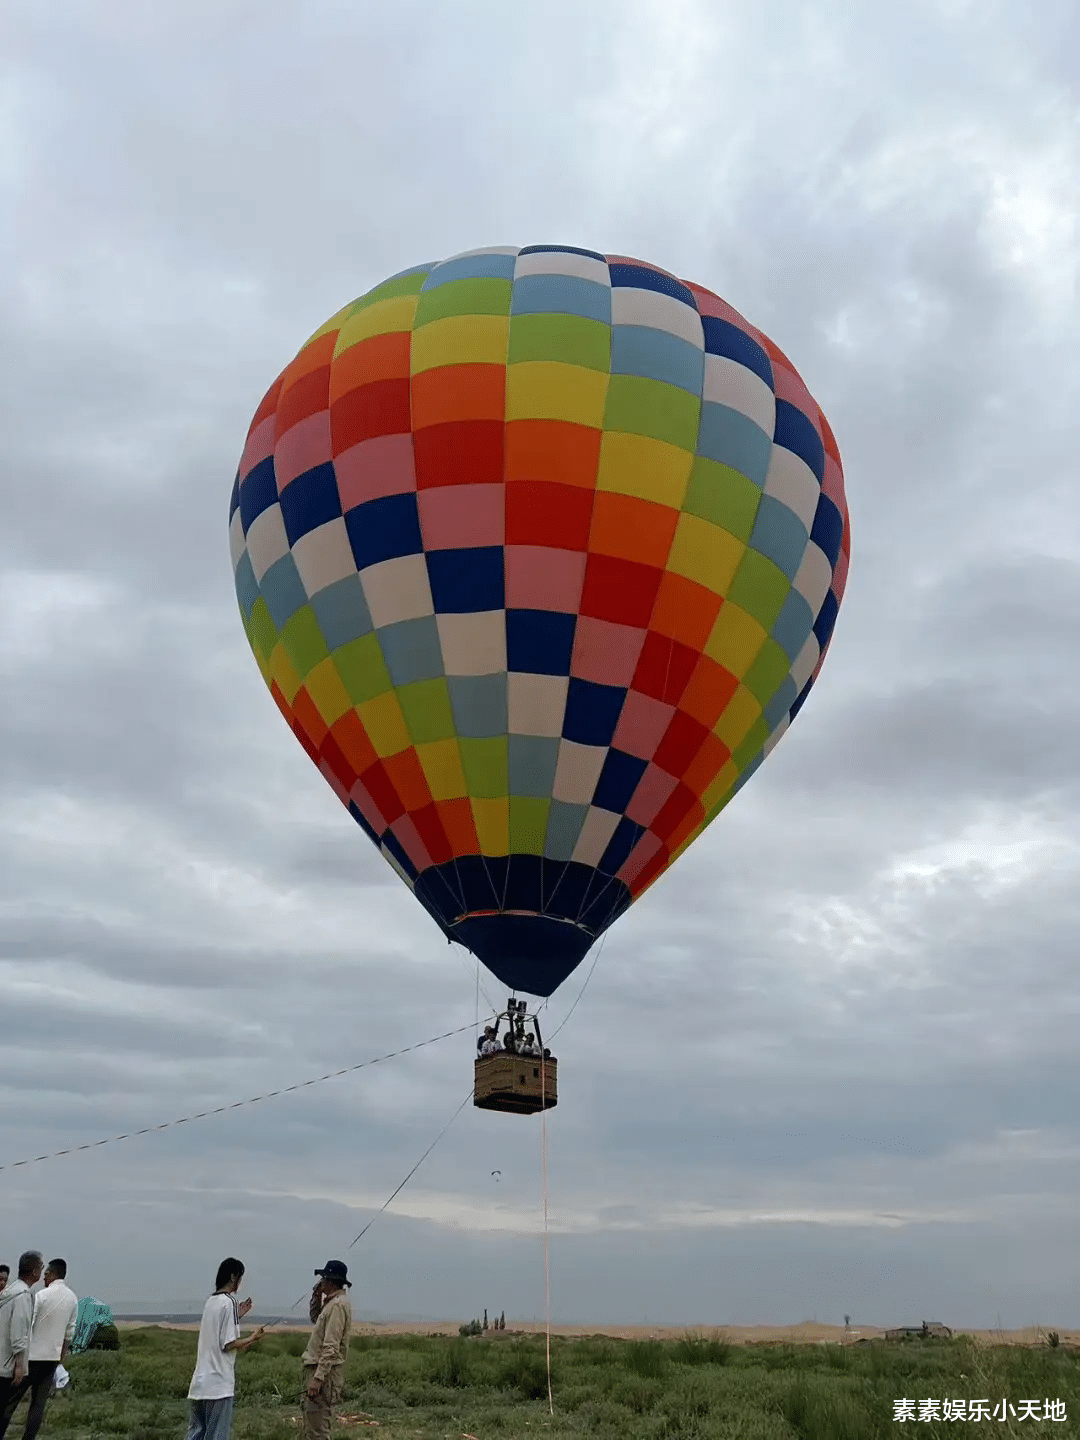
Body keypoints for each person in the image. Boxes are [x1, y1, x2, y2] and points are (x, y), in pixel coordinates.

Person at [185, 1258, 265, 1440]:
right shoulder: (229, 1302)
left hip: (199, 1384)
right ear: (233, 1277)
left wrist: (236, 1316)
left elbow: (217, 1333)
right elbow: (228, 1344)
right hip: (218, 1386)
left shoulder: (211, 1301)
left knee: (196, 1434)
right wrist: (252, 1337)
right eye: (240, 1278)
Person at [302, 1261, 352, 1439]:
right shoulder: (331, 1304)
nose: (321, 1281)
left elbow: (331, 1346)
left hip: (324, 1375)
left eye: (323, 1278)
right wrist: (316, 1297)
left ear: (331, 1281)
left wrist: (318, 1378)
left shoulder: (337, 1306)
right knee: (312, 1425)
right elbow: (316, 1318)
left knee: (318, 1430)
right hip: (320, 1372)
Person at [0, 1251, 43, 1438]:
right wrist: (19, 1365)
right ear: (34, 1271)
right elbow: (19, 1333)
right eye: (41, 1268)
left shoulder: (8, 1292)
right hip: (6, 1365)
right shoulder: (23, 1295)